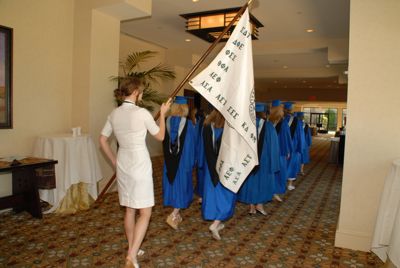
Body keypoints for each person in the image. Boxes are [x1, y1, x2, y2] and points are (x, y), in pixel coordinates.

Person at [99, 77, 171, 268]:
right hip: (139, 163)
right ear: (136, 92)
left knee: (130, 209)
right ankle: (131, 256)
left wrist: (114, 161)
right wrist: (163, 114)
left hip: (123, 162)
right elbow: (161, 136)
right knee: (145, 212)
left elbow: (102, 140)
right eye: (141, 91)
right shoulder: (143, 113)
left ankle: (133, 248)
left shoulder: (114, 114)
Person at [237, 103, 280, 214]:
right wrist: (274, 162)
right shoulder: (269, 126)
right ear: (264, 114)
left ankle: (251, 207)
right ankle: (259, 205)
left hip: (248, 159)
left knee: (251, 180)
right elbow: (274, 146)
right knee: (263, 182)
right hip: (264, 159)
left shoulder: (246, 125)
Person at [200, 109, 236, 240]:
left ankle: (218, 222)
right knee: (227, 196)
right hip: (225, 168)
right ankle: (215, 224)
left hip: (209, 168)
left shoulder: (206, 127)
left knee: (213, 196)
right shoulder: (230, 129)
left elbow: (201, 148)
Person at [162, 96, 196, 230]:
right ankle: (174, 214)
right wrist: (192, 162)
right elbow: (191, 145)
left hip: (168, 160)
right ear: (185, 108)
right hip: (183, 162)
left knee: (173, 185)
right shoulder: (188, 125)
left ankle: (177, 215)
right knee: (182, 187)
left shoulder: (165, 121)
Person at [270, 100, 293, 198]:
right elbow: (286, 137)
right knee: (280, 171)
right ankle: (276, 190)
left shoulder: (268, 121)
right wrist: (287, 151)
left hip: (270, 151)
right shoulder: (283, 123)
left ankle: (271, 190)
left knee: (271, 171)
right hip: (279, 151)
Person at [283, 102, 306, 190]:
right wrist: (301, 148)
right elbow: (300, 135)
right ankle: (289, 184)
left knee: (282, 165)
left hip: (282, 146)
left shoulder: (280, 119)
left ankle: (279, 185)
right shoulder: (296, 121)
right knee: (292, 165)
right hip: (294, 146)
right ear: (292, 110)